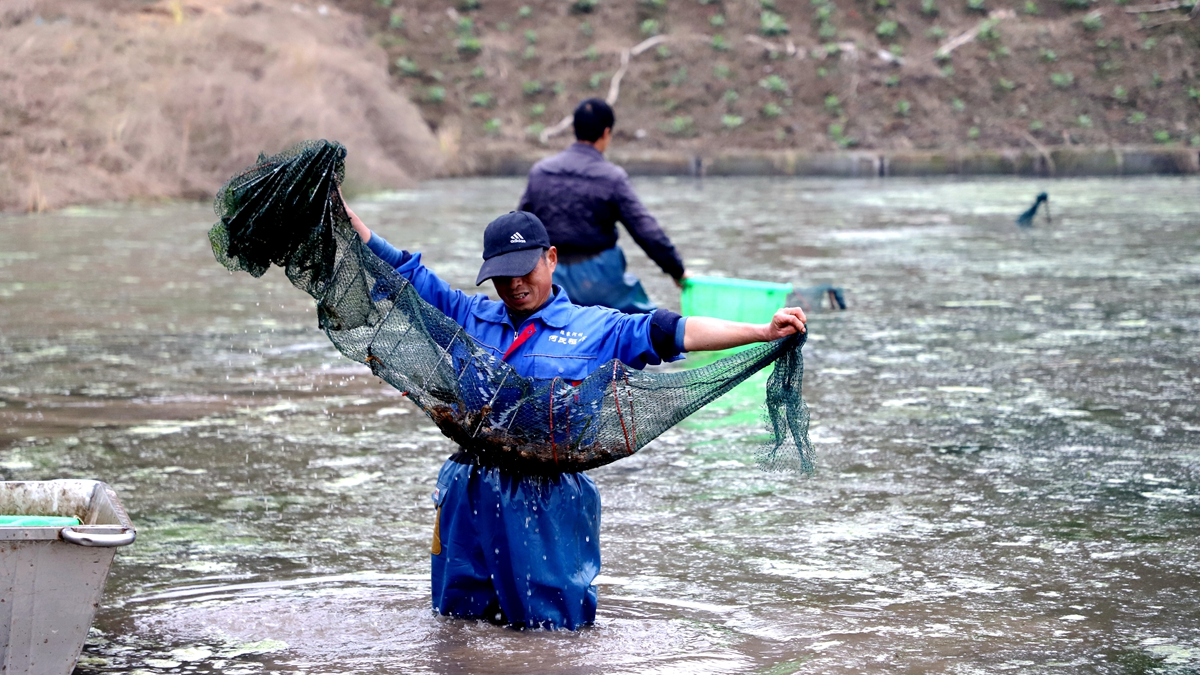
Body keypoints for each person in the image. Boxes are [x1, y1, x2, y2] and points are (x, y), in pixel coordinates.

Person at [344, 205, 805, 630]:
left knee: (555, 635)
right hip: (468, 490)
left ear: (551, 258)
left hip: (549, 498)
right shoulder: (469, 315)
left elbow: (675, 332)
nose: (513, 286)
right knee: (458, 626)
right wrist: (348, 219)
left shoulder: (599, 329)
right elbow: (403, 274)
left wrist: (761, 331)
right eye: (501, 277)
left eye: (523, 271)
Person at [518, 98, 688, 314]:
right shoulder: (611, 177)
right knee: (649, 327)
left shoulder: (540, 172)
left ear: (574, 129)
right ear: (606, 132)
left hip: (550, 276)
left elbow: (520, 228)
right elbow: (646, 231)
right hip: (598, 279)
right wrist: (676, 270)